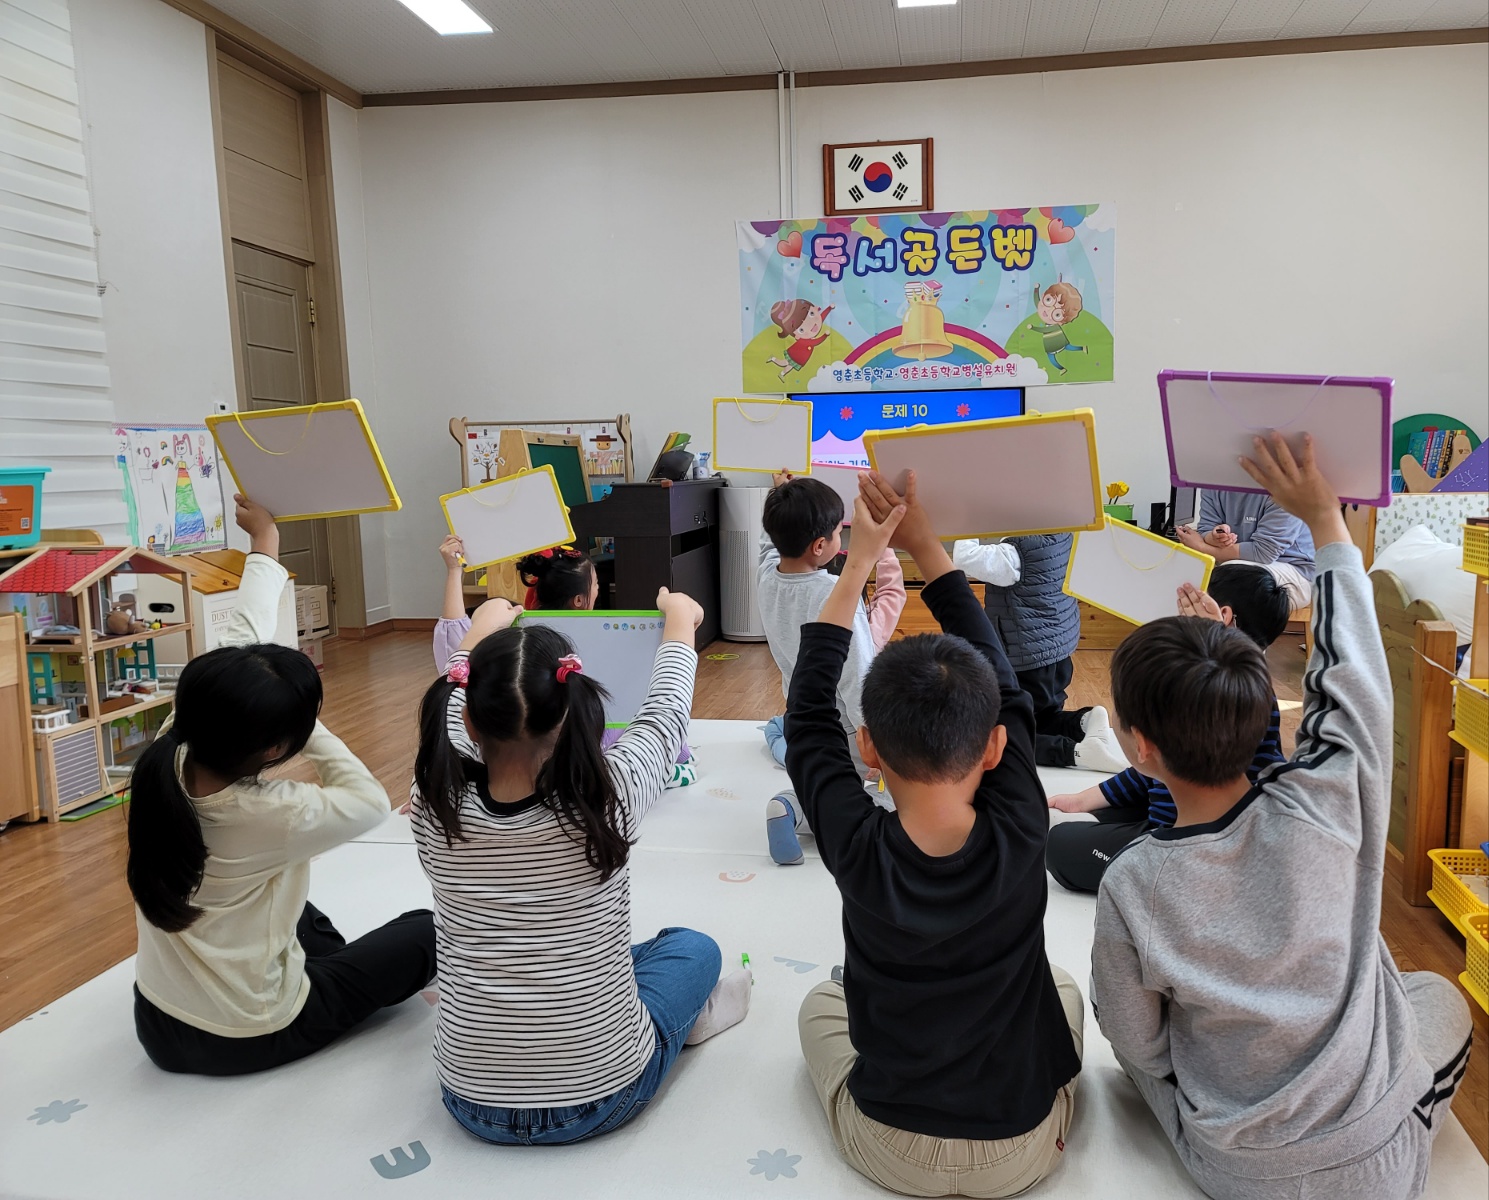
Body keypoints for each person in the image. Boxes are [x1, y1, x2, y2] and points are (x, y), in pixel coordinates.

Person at [1092, 433, 1473, 1200]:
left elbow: (1138, 1046)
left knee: (1126, 1038)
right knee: (1434, 998)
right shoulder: (1328, 805)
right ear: (1263, 709)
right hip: (1373, 1162)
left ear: (1138, 747)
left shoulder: (1130, 885)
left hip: (1232, 1168)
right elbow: (1357, 687)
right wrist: (1328, 528)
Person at [789, 469, 1083, 1198]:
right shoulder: (1021, 819)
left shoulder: (854, 844)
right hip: (1021, 1147)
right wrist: (924, 547)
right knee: (1062, 991)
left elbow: (804, 721)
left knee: (819, 1006)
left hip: (889, 1146)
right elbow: (1010, 687)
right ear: (993, 749)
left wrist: (856, 563)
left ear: (868, 751)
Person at [410, 589, 750, 1146]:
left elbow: (450, 707)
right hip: (604, 1093)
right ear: (574, 716)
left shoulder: (433, 799)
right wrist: (681, 622)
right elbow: (664, 720)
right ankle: (681, 1028)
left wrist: (478, 633)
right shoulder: (604, 799)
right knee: (694, 949)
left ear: (472, 722)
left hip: (470, 1098)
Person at [128, 494, 435, 1075]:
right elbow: (369, 803)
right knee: (425, 932)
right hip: (252, 1032)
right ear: (273, 748)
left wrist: (263, 544)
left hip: (159, 1022)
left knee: (297, 907)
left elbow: (240, 636)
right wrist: (306, 722)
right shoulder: (275, 815)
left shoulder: (174, 740)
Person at [1044, 564, 1292, 893]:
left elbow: (1161, 767)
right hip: (1195, 819)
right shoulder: (1252, 684)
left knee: (1060, 844)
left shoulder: (1217, 689)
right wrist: (1086, 798)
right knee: (1084, 820)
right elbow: (1156, 768)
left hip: (1192, 842)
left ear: (1223, 614)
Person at [433, 535, 694, 787]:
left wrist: (457, 577)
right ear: (580, 600)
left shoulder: (511, 640)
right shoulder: (617, 784)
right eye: (595, 584)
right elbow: (666, 717)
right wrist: (680, 613)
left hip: (507, 761)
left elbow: (454, 669)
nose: (598, 588)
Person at [757, 472, 906, 866]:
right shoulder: (833, 594)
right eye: (840, 534)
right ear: (821, 546)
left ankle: (793, 807)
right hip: (849, 725)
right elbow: (856, 669)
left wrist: (778, 492)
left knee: (824, 784)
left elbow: (767, 547)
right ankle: (854, 826)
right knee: (885, 790)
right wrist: (873, 733)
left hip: (803, 718)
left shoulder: (766, 577)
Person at [952, 534, 1128, 772]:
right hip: (1056, 650)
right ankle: (1085, 721)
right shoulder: (1064, 534)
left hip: (1026, 657)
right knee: (1043, 716)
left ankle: (1075, 753)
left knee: (1004, 735)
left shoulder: (1016, 554)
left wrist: (967, 522)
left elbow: (964, 557)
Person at [1177, 488, 1316, 611]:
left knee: (1230, 576)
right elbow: (1205, 529)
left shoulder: (1284, 489)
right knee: (1181, 568)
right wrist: (1213, 537)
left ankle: (1225, 637)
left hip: (1296, 571)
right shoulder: (1212, 484)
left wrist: (1201, 547)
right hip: (1236, 565)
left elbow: (1262, 553)